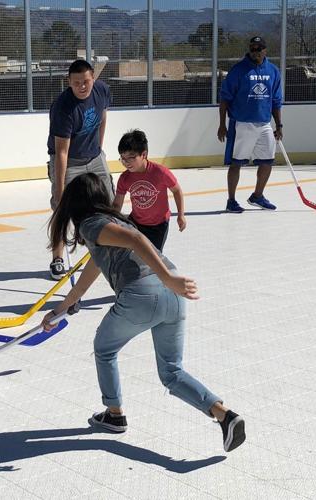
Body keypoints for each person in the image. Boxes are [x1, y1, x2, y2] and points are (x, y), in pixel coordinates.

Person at [41, 173, 245, 453]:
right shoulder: (111, 223)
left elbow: (137, 239)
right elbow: (95, 266)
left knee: (104, 348)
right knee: (172, 372)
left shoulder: (92, 223)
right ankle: (226, 416)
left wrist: (166, 279)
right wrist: (62, 308)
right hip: (173, 293)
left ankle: (114, 414)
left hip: (150, 290)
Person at [47, 59, 114, 280]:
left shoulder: (102, 90)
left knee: (111, 203)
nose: (82, 86)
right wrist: (59, 190)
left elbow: (103, 117)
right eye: (76, 83)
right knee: (62, 210)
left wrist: (99, 150)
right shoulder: (63, 107)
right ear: (69, 82)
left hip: (94, 156)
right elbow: (62, 152)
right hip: (69, 161)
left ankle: (113, 251)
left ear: (93, 78)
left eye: (86, 81)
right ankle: (58, 258)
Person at [218, 35, 283, 213]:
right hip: (242, 124)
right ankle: (231, 200)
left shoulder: (273, 71)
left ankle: (257, 196)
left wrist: (279, 125)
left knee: (267, 161)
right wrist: (222, 124)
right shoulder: (238, 70)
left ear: (265, 50)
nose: (255, 51)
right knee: (236, 162)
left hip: (264, 124)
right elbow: (225, 98)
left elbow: (276, 100)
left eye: (258, 48)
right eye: (252, 48)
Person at [112, 129, 185, 251]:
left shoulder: (160, 172)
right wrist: (111, 219)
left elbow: (177, 190)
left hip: (159, 226)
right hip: (135, 223)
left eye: (131, 158)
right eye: (123, 159)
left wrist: (180, 215)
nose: (126, 163)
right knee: (129, 253)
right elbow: (117, 203)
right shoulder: (125, 178)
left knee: (153, 258)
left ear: (144, 154)